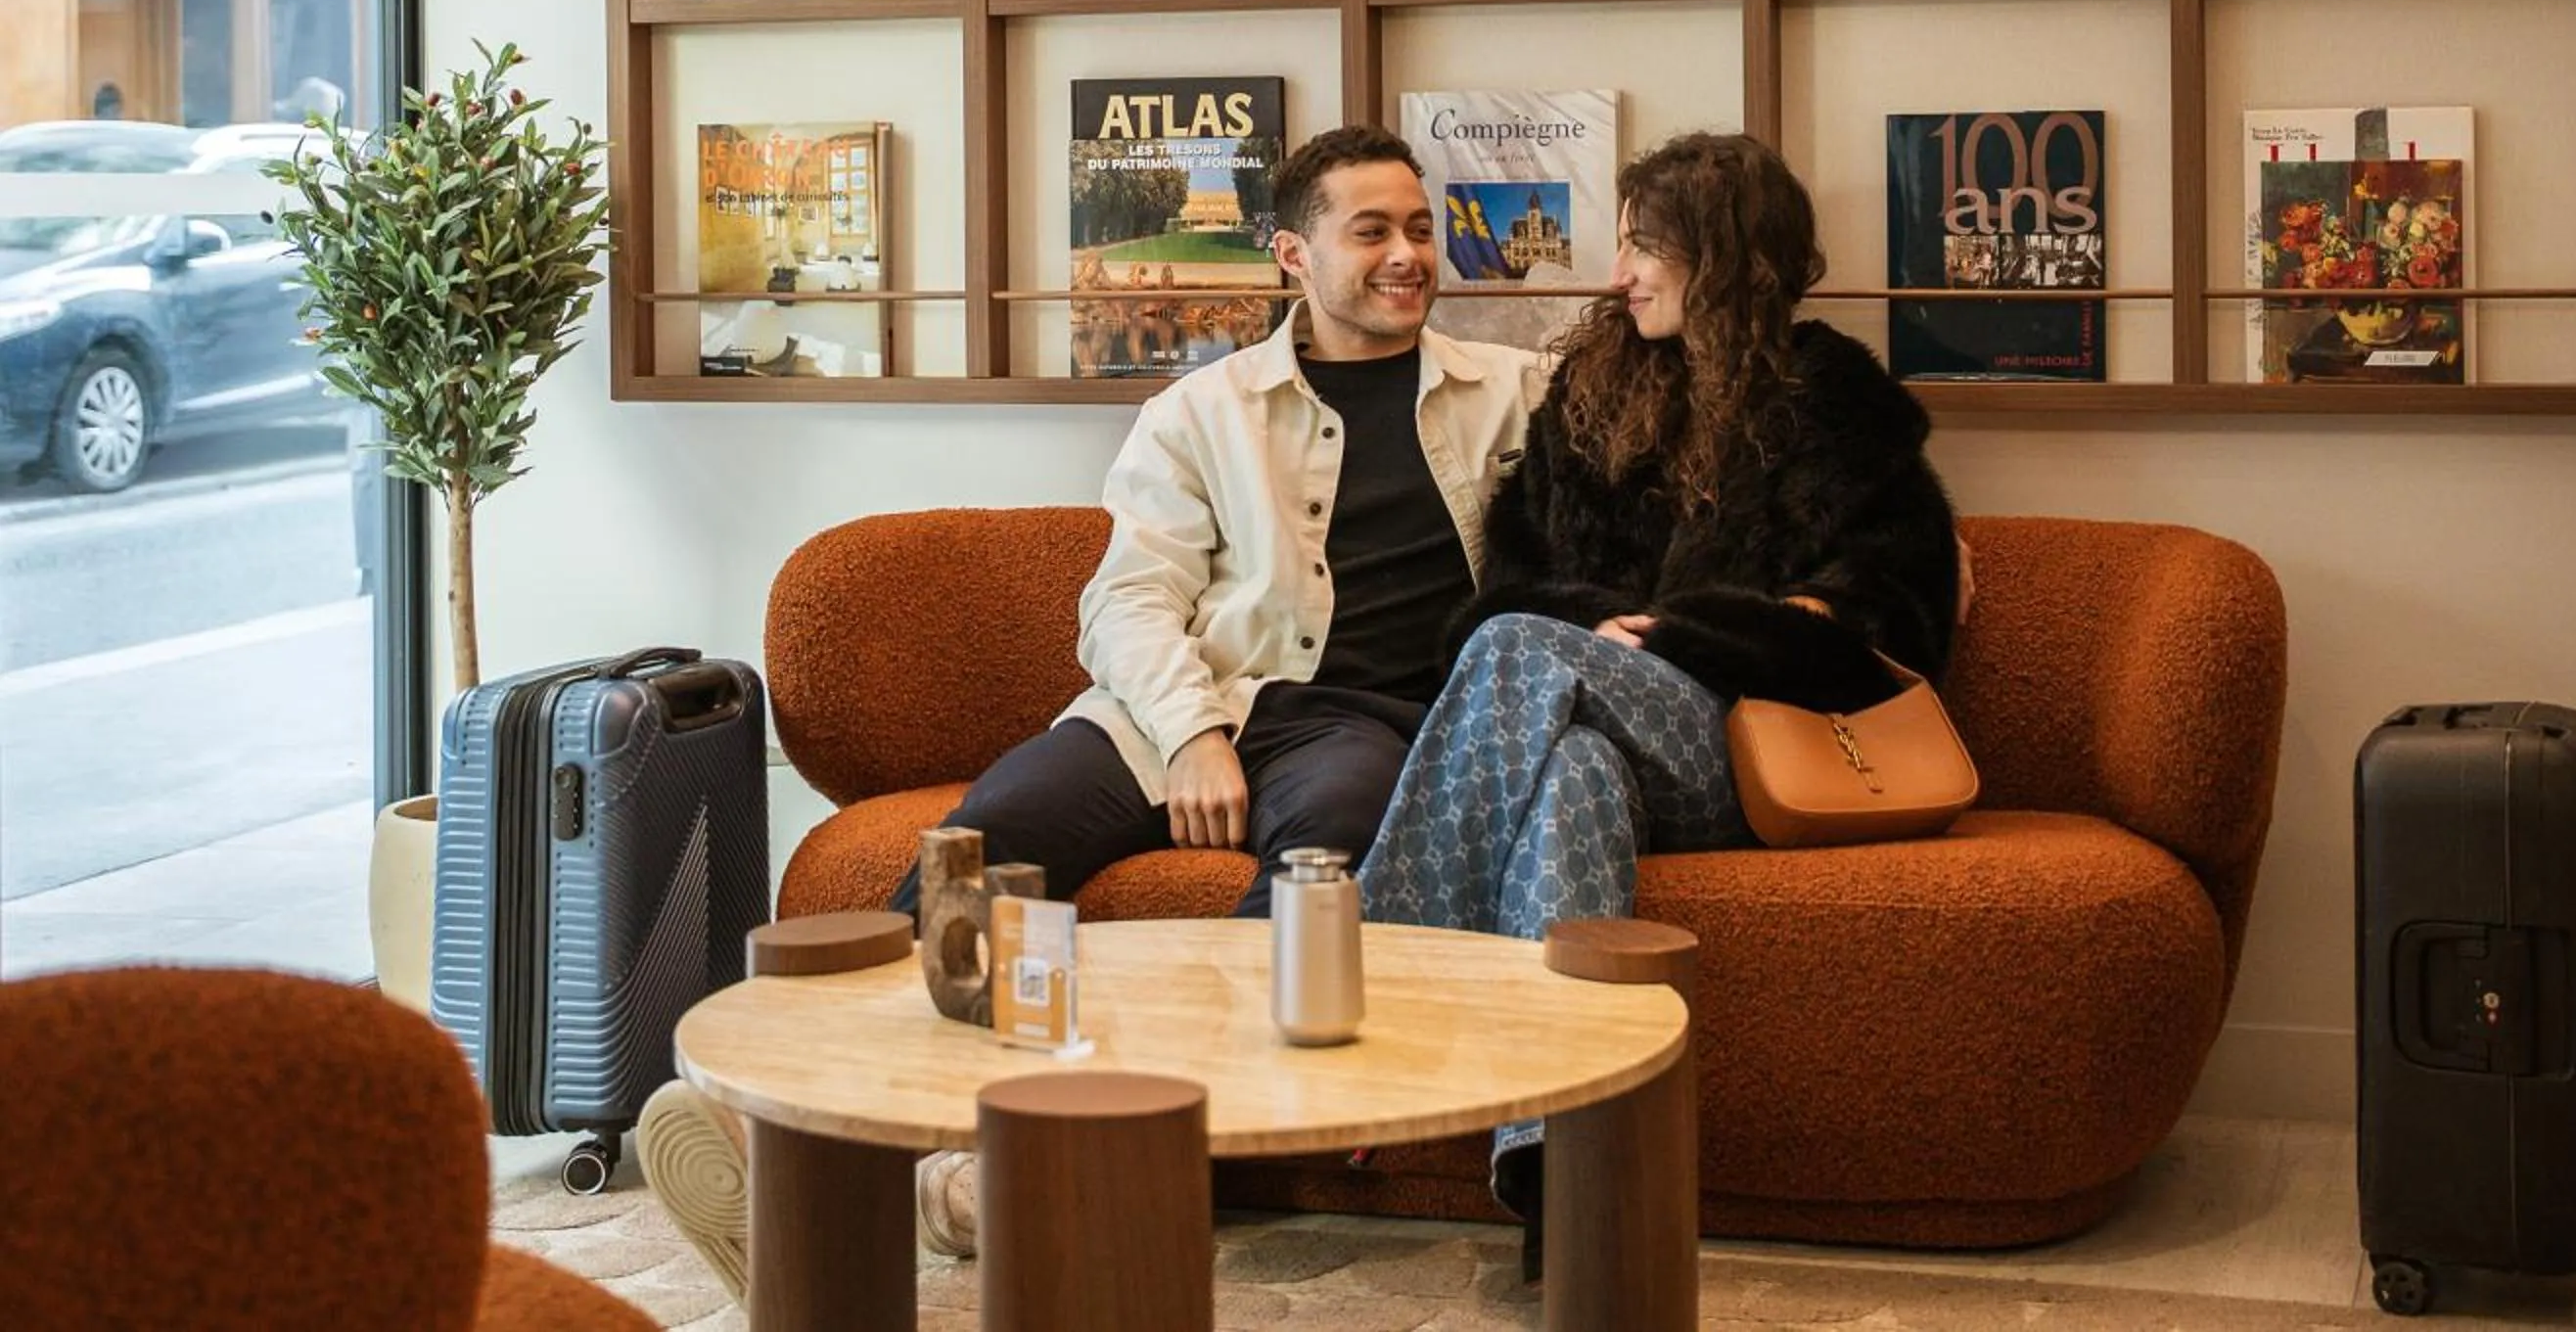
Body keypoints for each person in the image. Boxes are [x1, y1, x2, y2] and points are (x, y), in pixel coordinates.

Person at [639, 123, 1541, 1302]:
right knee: (988, 841)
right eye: (1370, 230)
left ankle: (1061, 1176)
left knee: (1324, 859)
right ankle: (826, 1131)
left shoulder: (1511, 393)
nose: (1406, 254)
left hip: (1362, 725)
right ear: (1291, 254)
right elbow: (1126, 601)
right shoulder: (1201, 411)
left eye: (1418, 228)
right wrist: (1194, 735)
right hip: (1174, 707)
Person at [1357, 130, 1964, 1265]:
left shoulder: (1834, 403)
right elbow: (1514, 587)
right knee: (1569, 764)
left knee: (1523, 653)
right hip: (1596, 726)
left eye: (1646, 247)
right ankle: (1568, 1188)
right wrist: (1599, 629)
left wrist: (1696, 635)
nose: (1620, 272)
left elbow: (1892, 622)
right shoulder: (1591, 396)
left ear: (1726, 261)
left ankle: (1385, 995)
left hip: (1740, 751)